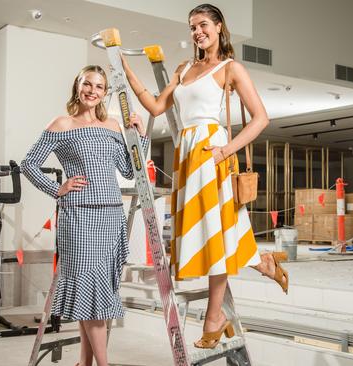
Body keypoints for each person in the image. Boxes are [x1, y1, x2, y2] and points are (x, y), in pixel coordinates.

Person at [121, 3, 288, 349]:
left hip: (213, 153)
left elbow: (261, 119)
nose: (197, 32)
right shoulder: (184, 69)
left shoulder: (231, 68)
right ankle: (263, 263)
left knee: (216, 234)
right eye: (192, 27)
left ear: (218, 27)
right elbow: (155, 106)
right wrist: (125, 68)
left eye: (202, 25)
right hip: (188, 154)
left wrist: (226, 151)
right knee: (217, 232)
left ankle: (215, 316)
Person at [21, 65, 147, 366]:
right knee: (90, 289)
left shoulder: (114, 125)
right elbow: (29, 164)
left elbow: (130, 171)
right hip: (78, 218)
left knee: (93, 294)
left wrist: (139, 137)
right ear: (77, 86)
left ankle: (85, 363)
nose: (92, 90)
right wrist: (57, 188)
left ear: (104, 93)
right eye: (87, 84)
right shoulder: (62, 124)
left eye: (99, 86)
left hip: (111, 217)